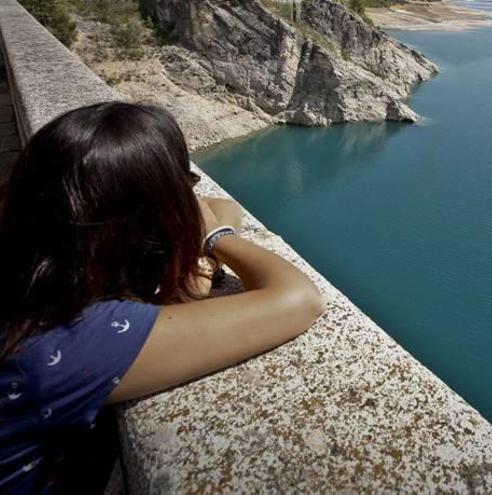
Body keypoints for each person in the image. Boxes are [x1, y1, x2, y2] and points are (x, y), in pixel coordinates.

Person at [0, 102, 326, 493]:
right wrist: (215, 242)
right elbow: (299, 299)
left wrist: (189, 247)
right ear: (144, 224)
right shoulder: (69, 340)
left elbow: (222, 206)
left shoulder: (27, 256)